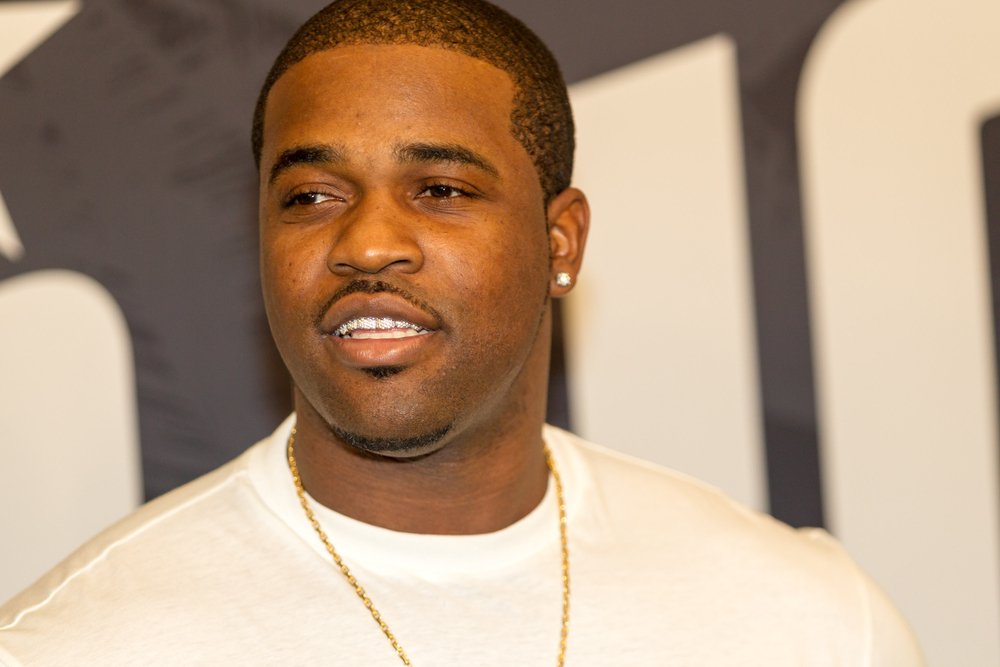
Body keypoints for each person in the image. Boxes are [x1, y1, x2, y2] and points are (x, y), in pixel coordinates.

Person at [0, 0, 925, 664]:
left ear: (559, 242)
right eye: (311, 195)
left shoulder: (811, 623)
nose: (364, 242)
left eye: (440, 190)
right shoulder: (78, 643)